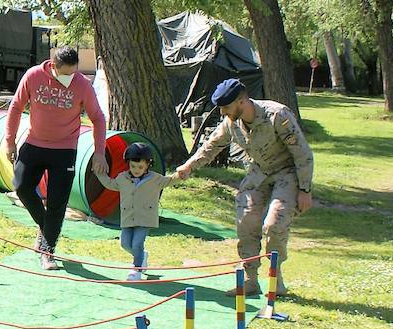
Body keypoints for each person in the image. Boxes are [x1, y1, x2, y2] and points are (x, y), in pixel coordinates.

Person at [172, 78, 314, 301]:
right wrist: (189, 166)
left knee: (274, 225)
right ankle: (250, 280)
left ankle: (276, 279)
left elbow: (302, 154)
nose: (223, 113)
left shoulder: (277, 115)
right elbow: (211, 146)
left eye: (226, 107)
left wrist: (305, 190)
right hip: (259, 172)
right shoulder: (232, 122)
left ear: (241, 101)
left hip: (287, 173)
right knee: (246, 220)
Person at [5, 48, 108, 270]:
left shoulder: (82, 85)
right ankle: (45, 227)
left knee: (57, 202)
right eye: (66, 74)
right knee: (21, 187)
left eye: (74, 73)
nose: (70, 79)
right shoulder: (33, 76)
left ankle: (47, 250)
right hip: (34, 143)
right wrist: (9, 141)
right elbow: (15, 106)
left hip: (65, 149)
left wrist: (100, 152)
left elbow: (98, 118)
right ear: (53, 66)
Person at [103, 143, 175, 281]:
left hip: (144, 218)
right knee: (125, 244)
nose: (136, 170)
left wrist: (182, 173)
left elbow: (170, 180)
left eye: (140, 167)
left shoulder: (155, 179)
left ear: (148, 165)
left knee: (137, 244)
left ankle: (136, 270)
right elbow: (110, 184)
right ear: (128, 164)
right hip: (128, 217)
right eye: (133, 166)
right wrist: (99, 173)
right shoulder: (123, 178)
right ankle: (142, 255)